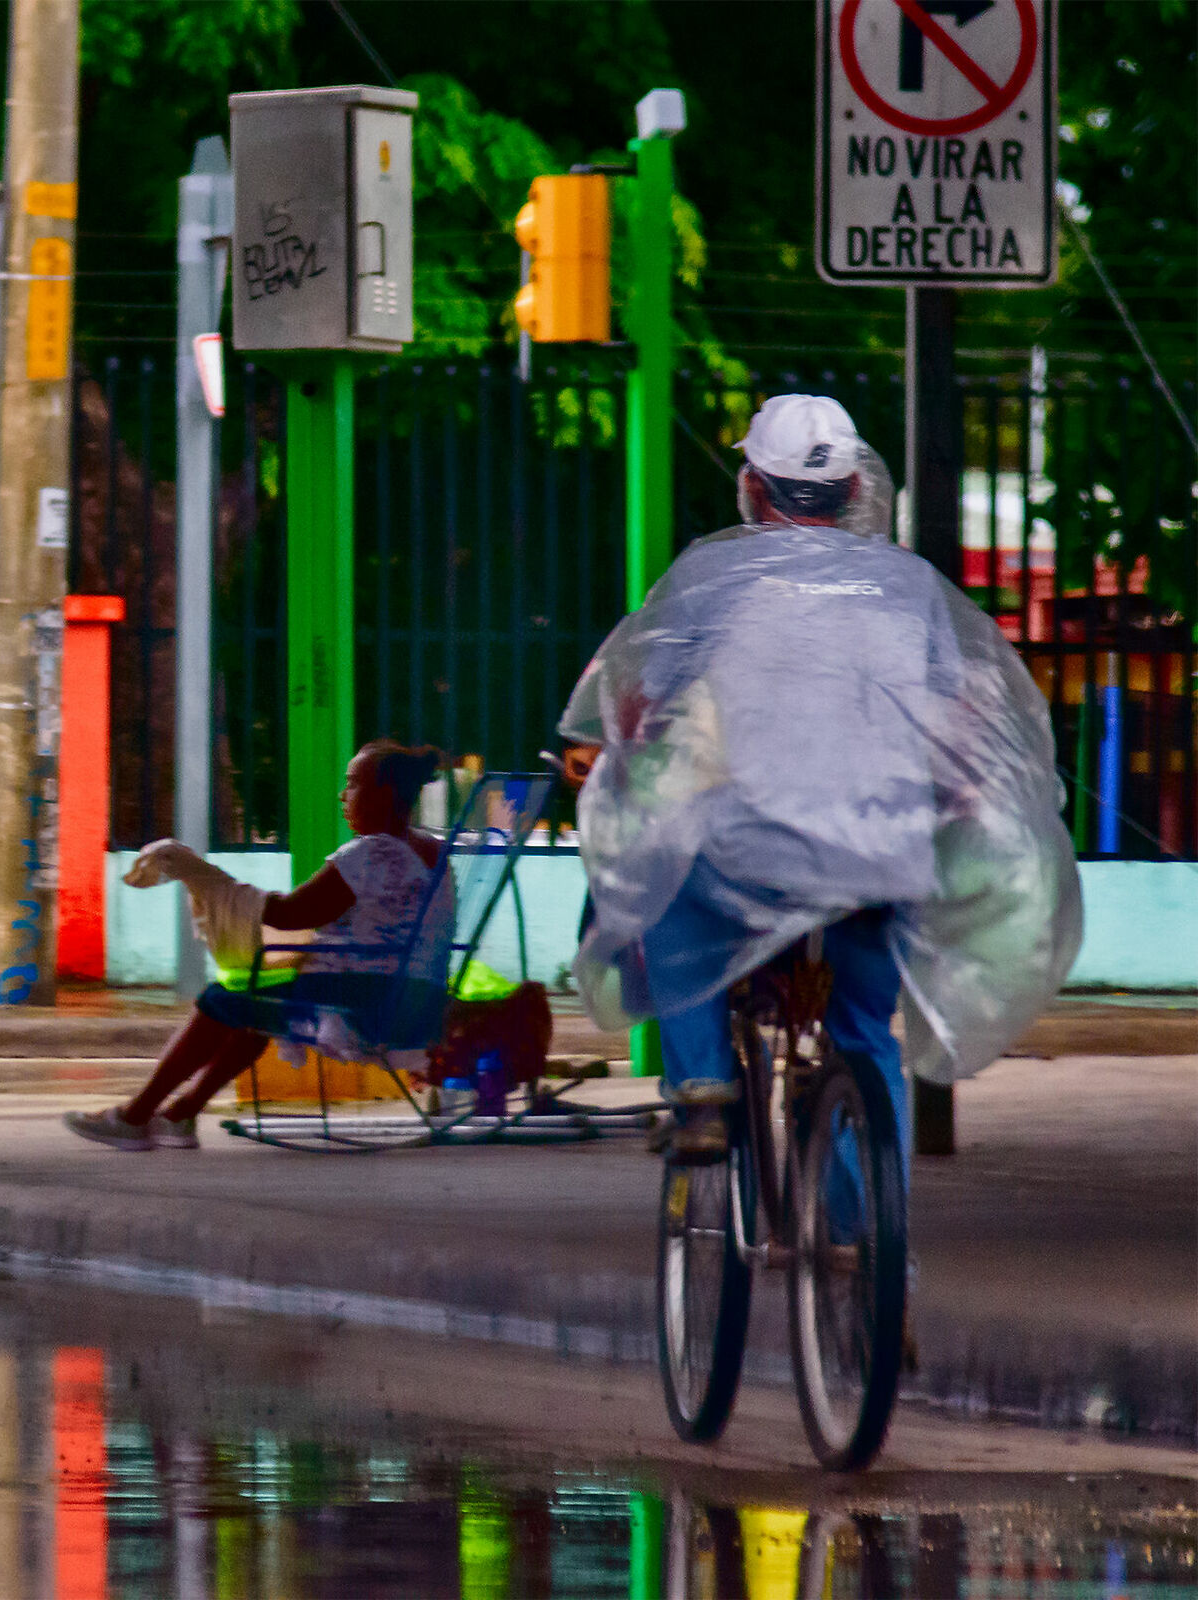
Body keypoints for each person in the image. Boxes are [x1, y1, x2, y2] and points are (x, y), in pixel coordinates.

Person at [560, 394, 1079, 1165]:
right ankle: (864, 1256)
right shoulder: (910, 587)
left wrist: (629, 761)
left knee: (662, 885)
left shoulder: (711, 574)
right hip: (884, 857)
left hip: (749, 851)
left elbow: (640, 707)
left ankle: (701, 1087)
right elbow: (959, 719)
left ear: (755, 486)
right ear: (851, 488)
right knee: (864, 1036)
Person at [64, 739, 454, 1151]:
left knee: (221, 999)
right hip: (419, 1002)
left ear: (386, 794)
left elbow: (289, 915)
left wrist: (213, 884)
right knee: (258, 1006)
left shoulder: (372, 853)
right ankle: (181, 1112)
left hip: (362, 1004)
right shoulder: (433, 853)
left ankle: (134, 1116)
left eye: (353, 784)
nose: (344, 795)